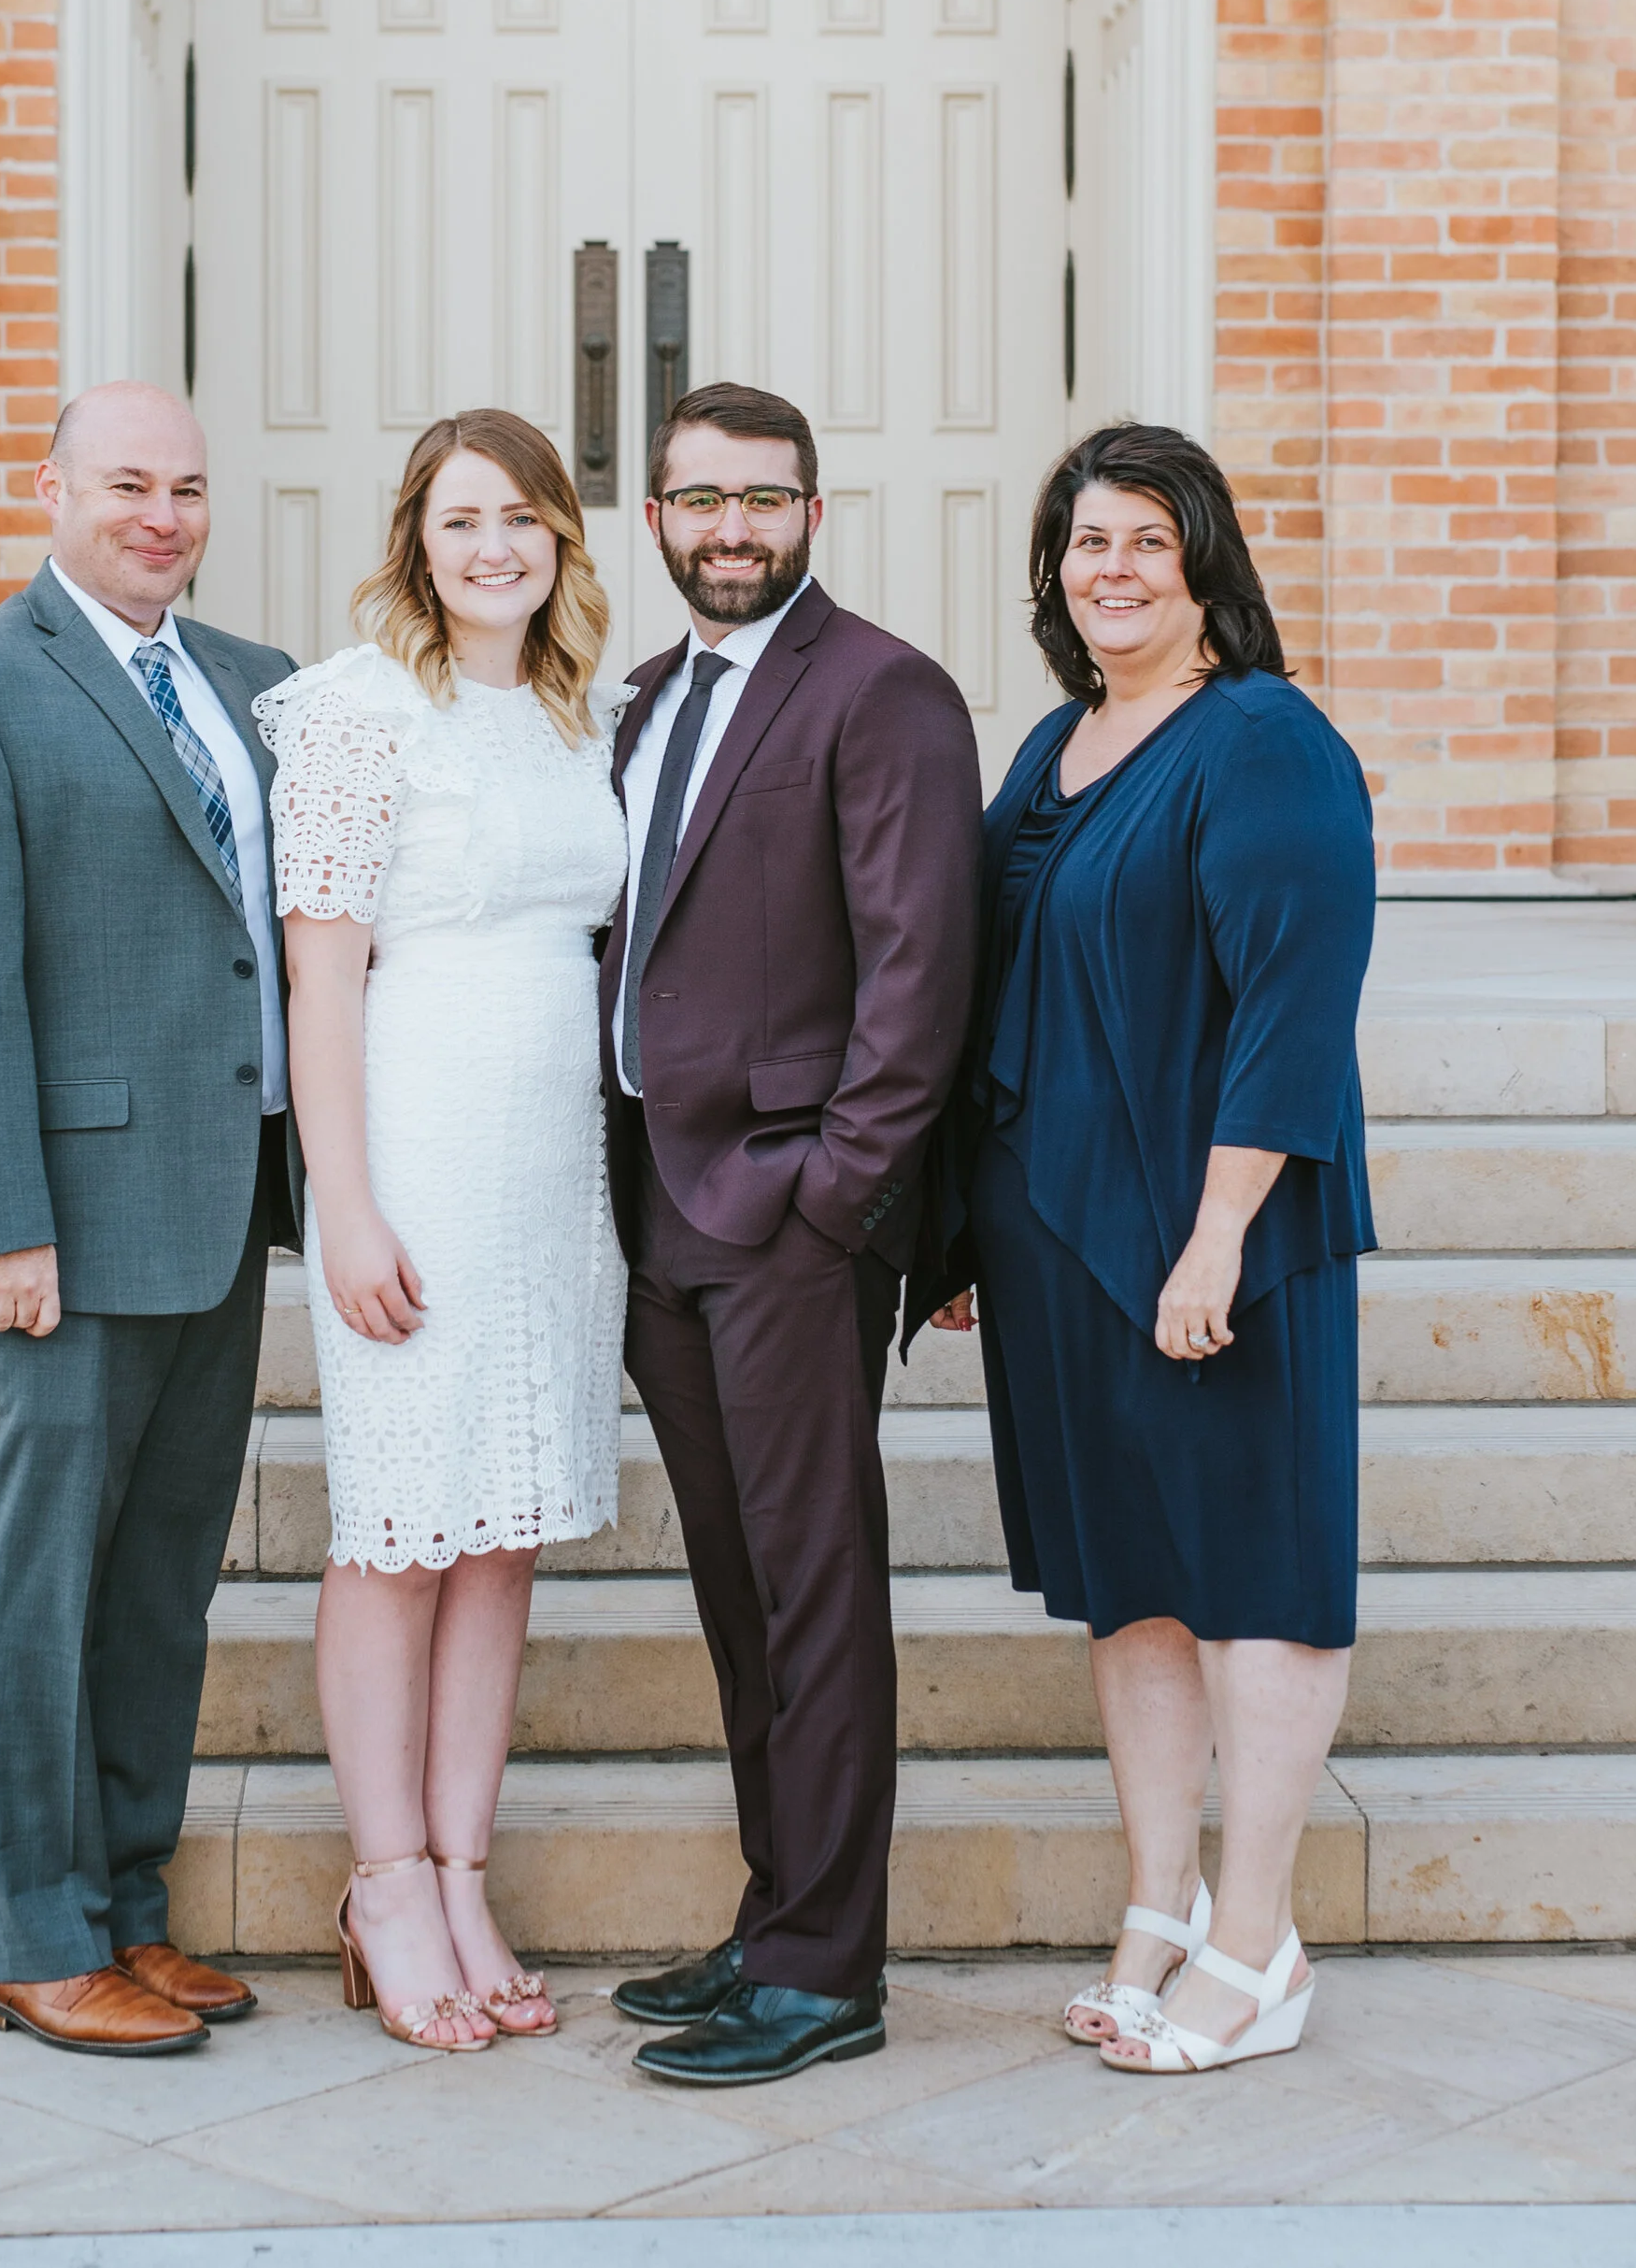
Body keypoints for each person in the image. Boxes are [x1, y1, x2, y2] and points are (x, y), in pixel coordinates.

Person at [926, 421, 1376, 2077]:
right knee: (1131, 1595)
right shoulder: (1056, 740)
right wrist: (966, 1228)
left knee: (1253, 1579)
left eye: (1144, 539)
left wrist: (1218, 1235)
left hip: (1217, 1242)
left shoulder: (1261, 737)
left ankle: (1259, 1943)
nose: (1109, 568)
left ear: (1204, 564)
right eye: (1084, 539)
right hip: (1059, 1240)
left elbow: (1294, 1006)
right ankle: (1160, 1908)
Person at [0, 381, 299, 2058]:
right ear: (53, 489)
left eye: (187, 487)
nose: (161, 515)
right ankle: (27, 1936)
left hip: (215, 1208)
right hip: (51, 1229)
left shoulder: (256, 687)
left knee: (160, 1582)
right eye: (127, 483)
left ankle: (124, 1904)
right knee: (38, 1585)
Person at [603, 381, 983, 2089]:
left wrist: (840, 1198)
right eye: (701, 500)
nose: (732, 528)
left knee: (816, 1591)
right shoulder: (641, 700)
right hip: (657, 1215)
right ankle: (776, 1920)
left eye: (765, 500)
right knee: (738, 1590)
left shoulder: (887, 692)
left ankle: (830, 1968)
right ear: (658, 517)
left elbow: (920, 977)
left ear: (814, 516)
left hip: (789, 1221)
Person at [254, 410, 628, 2054]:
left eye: (525, 520)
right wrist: (345, 1207)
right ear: (416, 535)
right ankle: (387, 1880)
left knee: (502, 1532)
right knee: (398, 1528)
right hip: (412, 1154)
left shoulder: (580, 714)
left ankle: (467, 1869)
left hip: (559, 1177)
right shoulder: (353, 714)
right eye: (463, 520)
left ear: (560, 540)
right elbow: (317, 979)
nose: (496, 549)